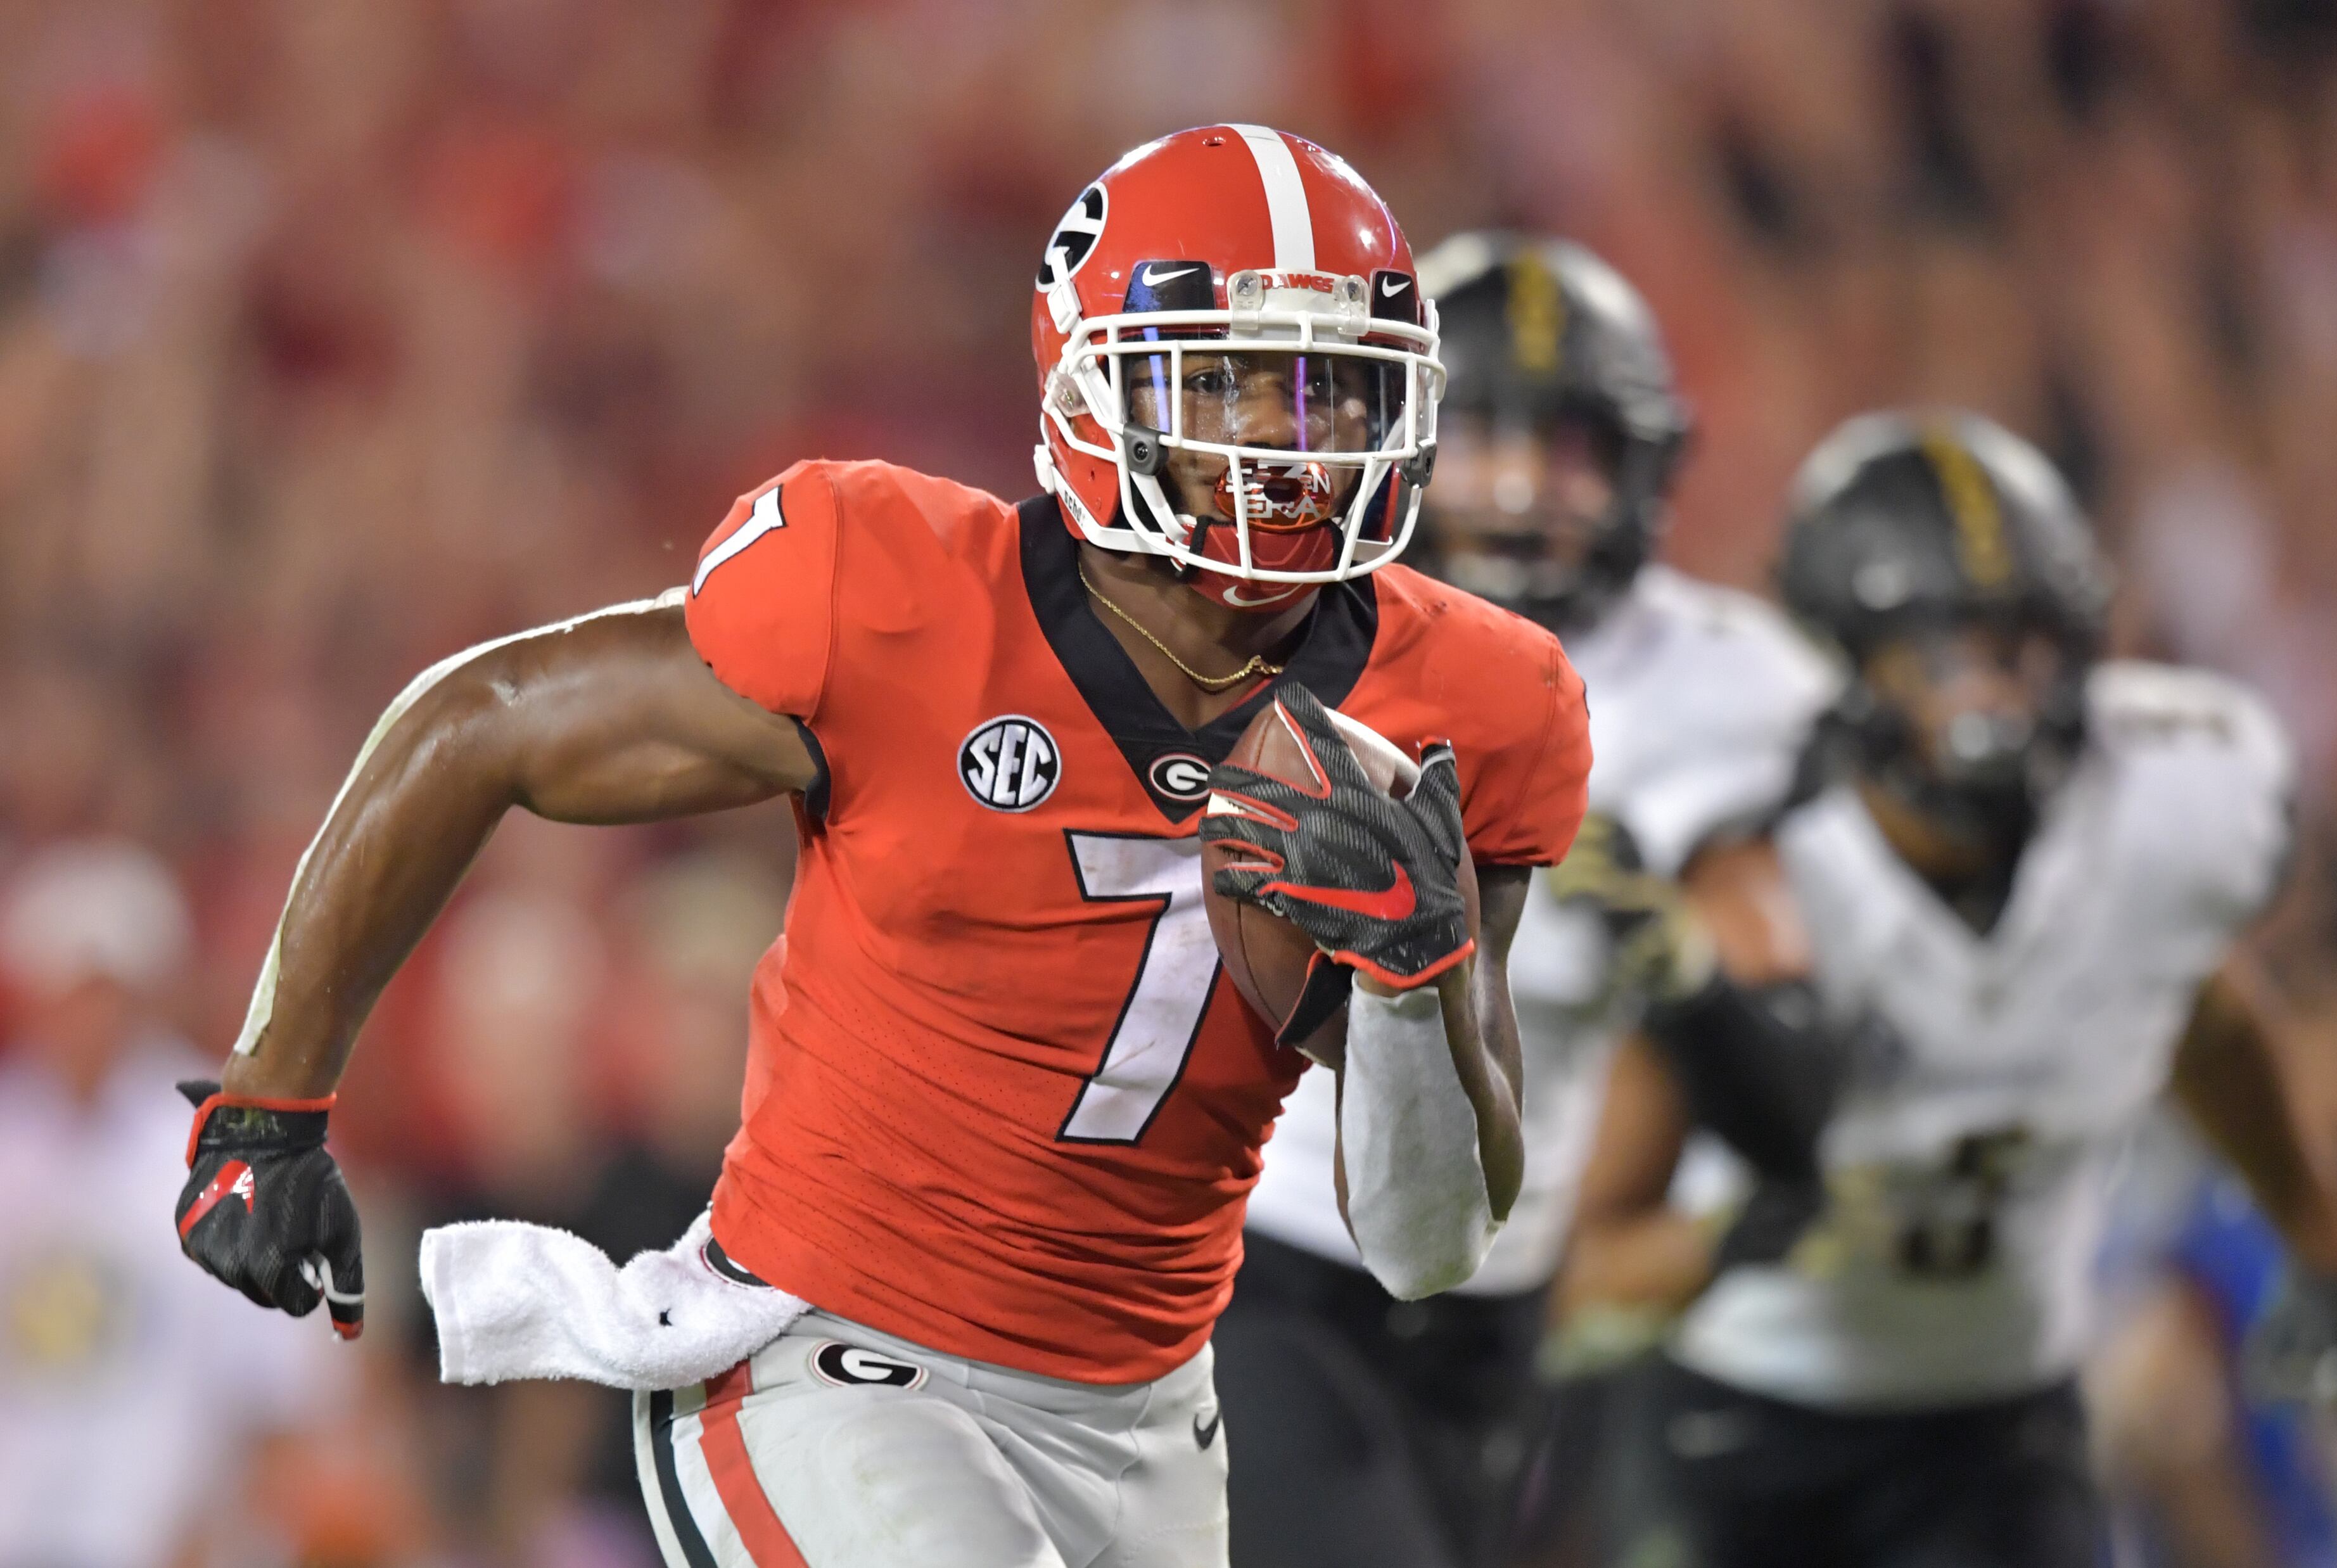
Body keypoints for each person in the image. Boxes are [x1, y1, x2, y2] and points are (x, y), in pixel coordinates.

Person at [169, 125, 1593, 1568]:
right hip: (834, 1356)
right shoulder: (898, 597)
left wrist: (1412, 977)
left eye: (1330, 384)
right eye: (1227, 378)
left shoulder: (1474, 703)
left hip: (1152, 1413)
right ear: (1092, 383)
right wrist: (267, 1104)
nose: (1288, 439)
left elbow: (1426, 1241)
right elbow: (480, 721)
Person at [1560, 411, 2337, 1568]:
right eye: (1942, 658)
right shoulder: (1758, 883)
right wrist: (1742, 1239)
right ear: (1847, 662)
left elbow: (2203, 1013)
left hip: (1997, 1422)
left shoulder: (2150, 820)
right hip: (1745, 1419)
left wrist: (2323, 1238)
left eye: (2019, 648)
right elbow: (1585, 1262)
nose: (1991, 699)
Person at [1214, 232, 1835, 1568]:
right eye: (1488, 437)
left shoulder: (1740, 694)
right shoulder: (1284, 614)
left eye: (1569, 447)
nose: (1522, 489)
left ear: (1644, 463)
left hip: (1506, 1298)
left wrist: (1674, 957)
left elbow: (1796, 1099)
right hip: (1265, 1248)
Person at [0, 842, 341, 1565]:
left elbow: (278, 1388)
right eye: (68, 993)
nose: (86, 1018)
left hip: (156, 1537)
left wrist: (219, 1527)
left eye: (105, 993)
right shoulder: (12, 1136)